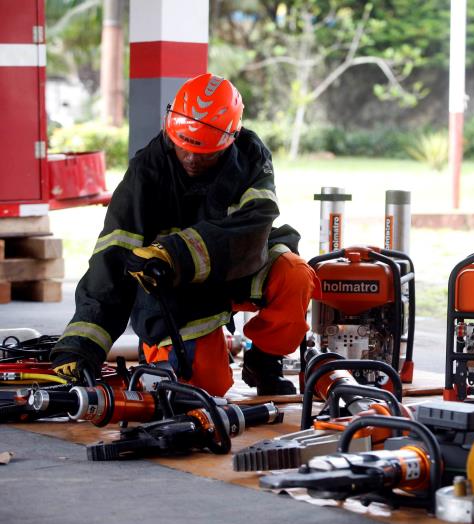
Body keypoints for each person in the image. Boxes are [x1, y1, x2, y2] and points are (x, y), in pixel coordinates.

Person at [49, 73, 318, 397]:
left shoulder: (250, 155)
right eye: (183, 148)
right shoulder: (146, 171)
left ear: (231, 138)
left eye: (204, 153)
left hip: (240, 264)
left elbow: (255, 226)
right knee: (205, 392)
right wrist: (81, 347)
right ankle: (167, 358)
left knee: (294, 275)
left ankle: (264, 362)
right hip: (177, 290)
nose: (191, 159)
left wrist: (174, 253)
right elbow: (112, 259)